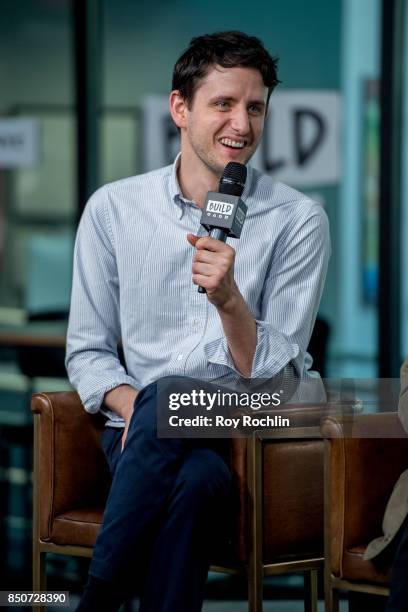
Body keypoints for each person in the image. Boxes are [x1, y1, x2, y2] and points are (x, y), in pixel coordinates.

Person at [66, 30, 330, 612]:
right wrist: (144, 408)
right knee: (198, 480)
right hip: (141, 437)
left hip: (252, 419)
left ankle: (96, 604)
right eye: (223, 103)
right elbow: (87, 351)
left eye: (255, 107)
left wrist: (231, 299)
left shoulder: (297, 219)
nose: (242, 123)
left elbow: (277, 379)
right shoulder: (113, 209)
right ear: (180, 107)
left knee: (170, 400)